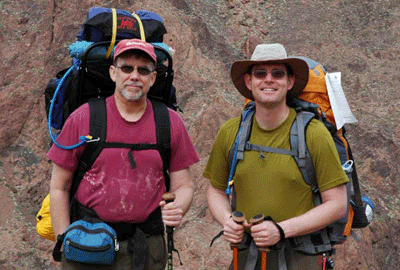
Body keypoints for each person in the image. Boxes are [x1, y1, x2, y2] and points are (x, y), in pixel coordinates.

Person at [48, 39, 199, 269]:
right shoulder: (84, 118)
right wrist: (64, 240)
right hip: (87, 245)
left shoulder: (169, 122)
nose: (134, 76)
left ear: (153, 78)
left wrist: (178, 207)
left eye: (143, 70)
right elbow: (59, 187)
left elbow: (184, 185)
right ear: (113, 73)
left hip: (147, 248)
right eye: (126, 68)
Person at [204, 43, 349, 270]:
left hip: (300, 258)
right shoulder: (232, 132)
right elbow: (215, 189)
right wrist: (227, 220)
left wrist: (281, 230)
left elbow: (338, 204)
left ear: (289, 82)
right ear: (248, 81)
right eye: (260, 73)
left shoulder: (313, 134)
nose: (268, 79)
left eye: (277, 73)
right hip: (246, 257)